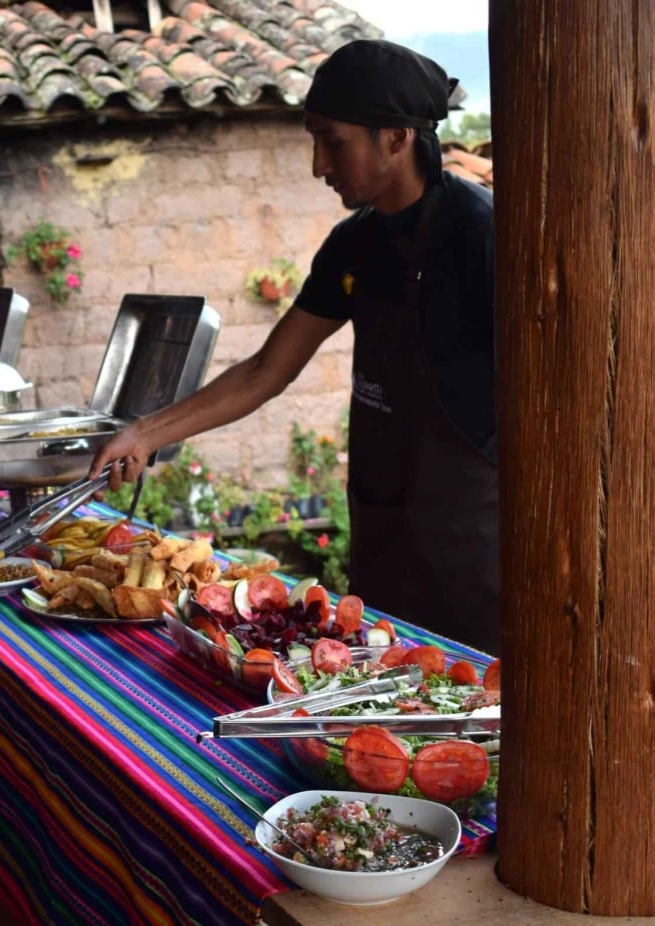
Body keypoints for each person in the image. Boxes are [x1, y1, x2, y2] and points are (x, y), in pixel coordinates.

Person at [92, 39, 499, 653]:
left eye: (333, 141)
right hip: (383, 529)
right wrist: (147, 432)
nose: (317, 165)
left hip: (476, 547)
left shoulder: (483, 235)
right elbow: (266, 370)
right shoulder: (353, 244)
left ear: (397, 137)